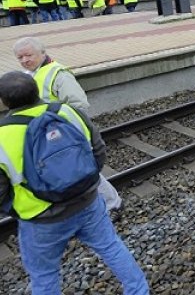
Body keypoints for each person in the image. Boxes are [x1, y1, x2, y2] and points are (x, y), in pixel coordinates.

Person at [0, 72, 149, 294]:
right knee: (111, 247)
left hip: (40, 218)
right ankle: (139, 291)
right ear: (36, 90)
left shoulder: (3, 135)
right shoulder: (68, 111)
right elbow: (98, 150)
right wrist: (87, 184)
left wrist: (16, 209)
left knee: (44, 275)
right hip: (88, 202)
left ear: (4, 101)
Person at [13, 36, 124, 213]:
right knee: (71, 170)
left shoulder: (58, 73)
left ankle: (113, 204)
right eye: (20, 57)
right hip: (44, 136)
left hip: (63, 133)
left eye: (28, 55)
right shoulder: (27, 76)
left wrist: (64, 129)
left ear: (42, 53)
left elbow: (79, 105)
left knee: (82, 169)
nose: (25, 60)